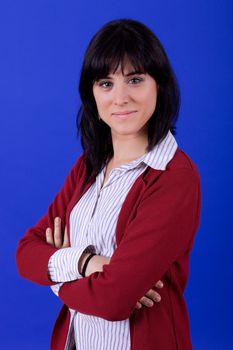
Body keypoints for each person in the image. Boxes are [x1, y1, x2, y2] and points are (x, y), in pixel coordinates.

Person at [16, 18, 201, 350]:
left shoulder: (174, 176)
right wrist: (86, 263)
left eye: (134, 79)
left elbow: (114, 299)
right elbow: (26, 252)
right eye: (105, 83)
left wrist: (56, 276)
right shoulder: (87, 167)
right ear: (92, 93)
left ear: (159, 84)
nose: (120, 98)